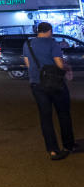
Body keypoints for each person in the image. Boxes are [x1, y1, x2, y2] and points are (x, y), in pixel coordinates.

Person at [23, 22, 78, 160]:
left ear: (37, 31)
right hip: (55, 84)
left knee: (45, 118)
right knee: (63, 114)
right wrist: (67, 67)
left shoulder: (28, 44)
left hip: (37, 84)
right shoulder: (52, 43)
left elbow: (28, 64)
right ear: (50, 31)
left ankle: (52, 150)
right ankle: (69, 145)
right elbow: (59, 64)